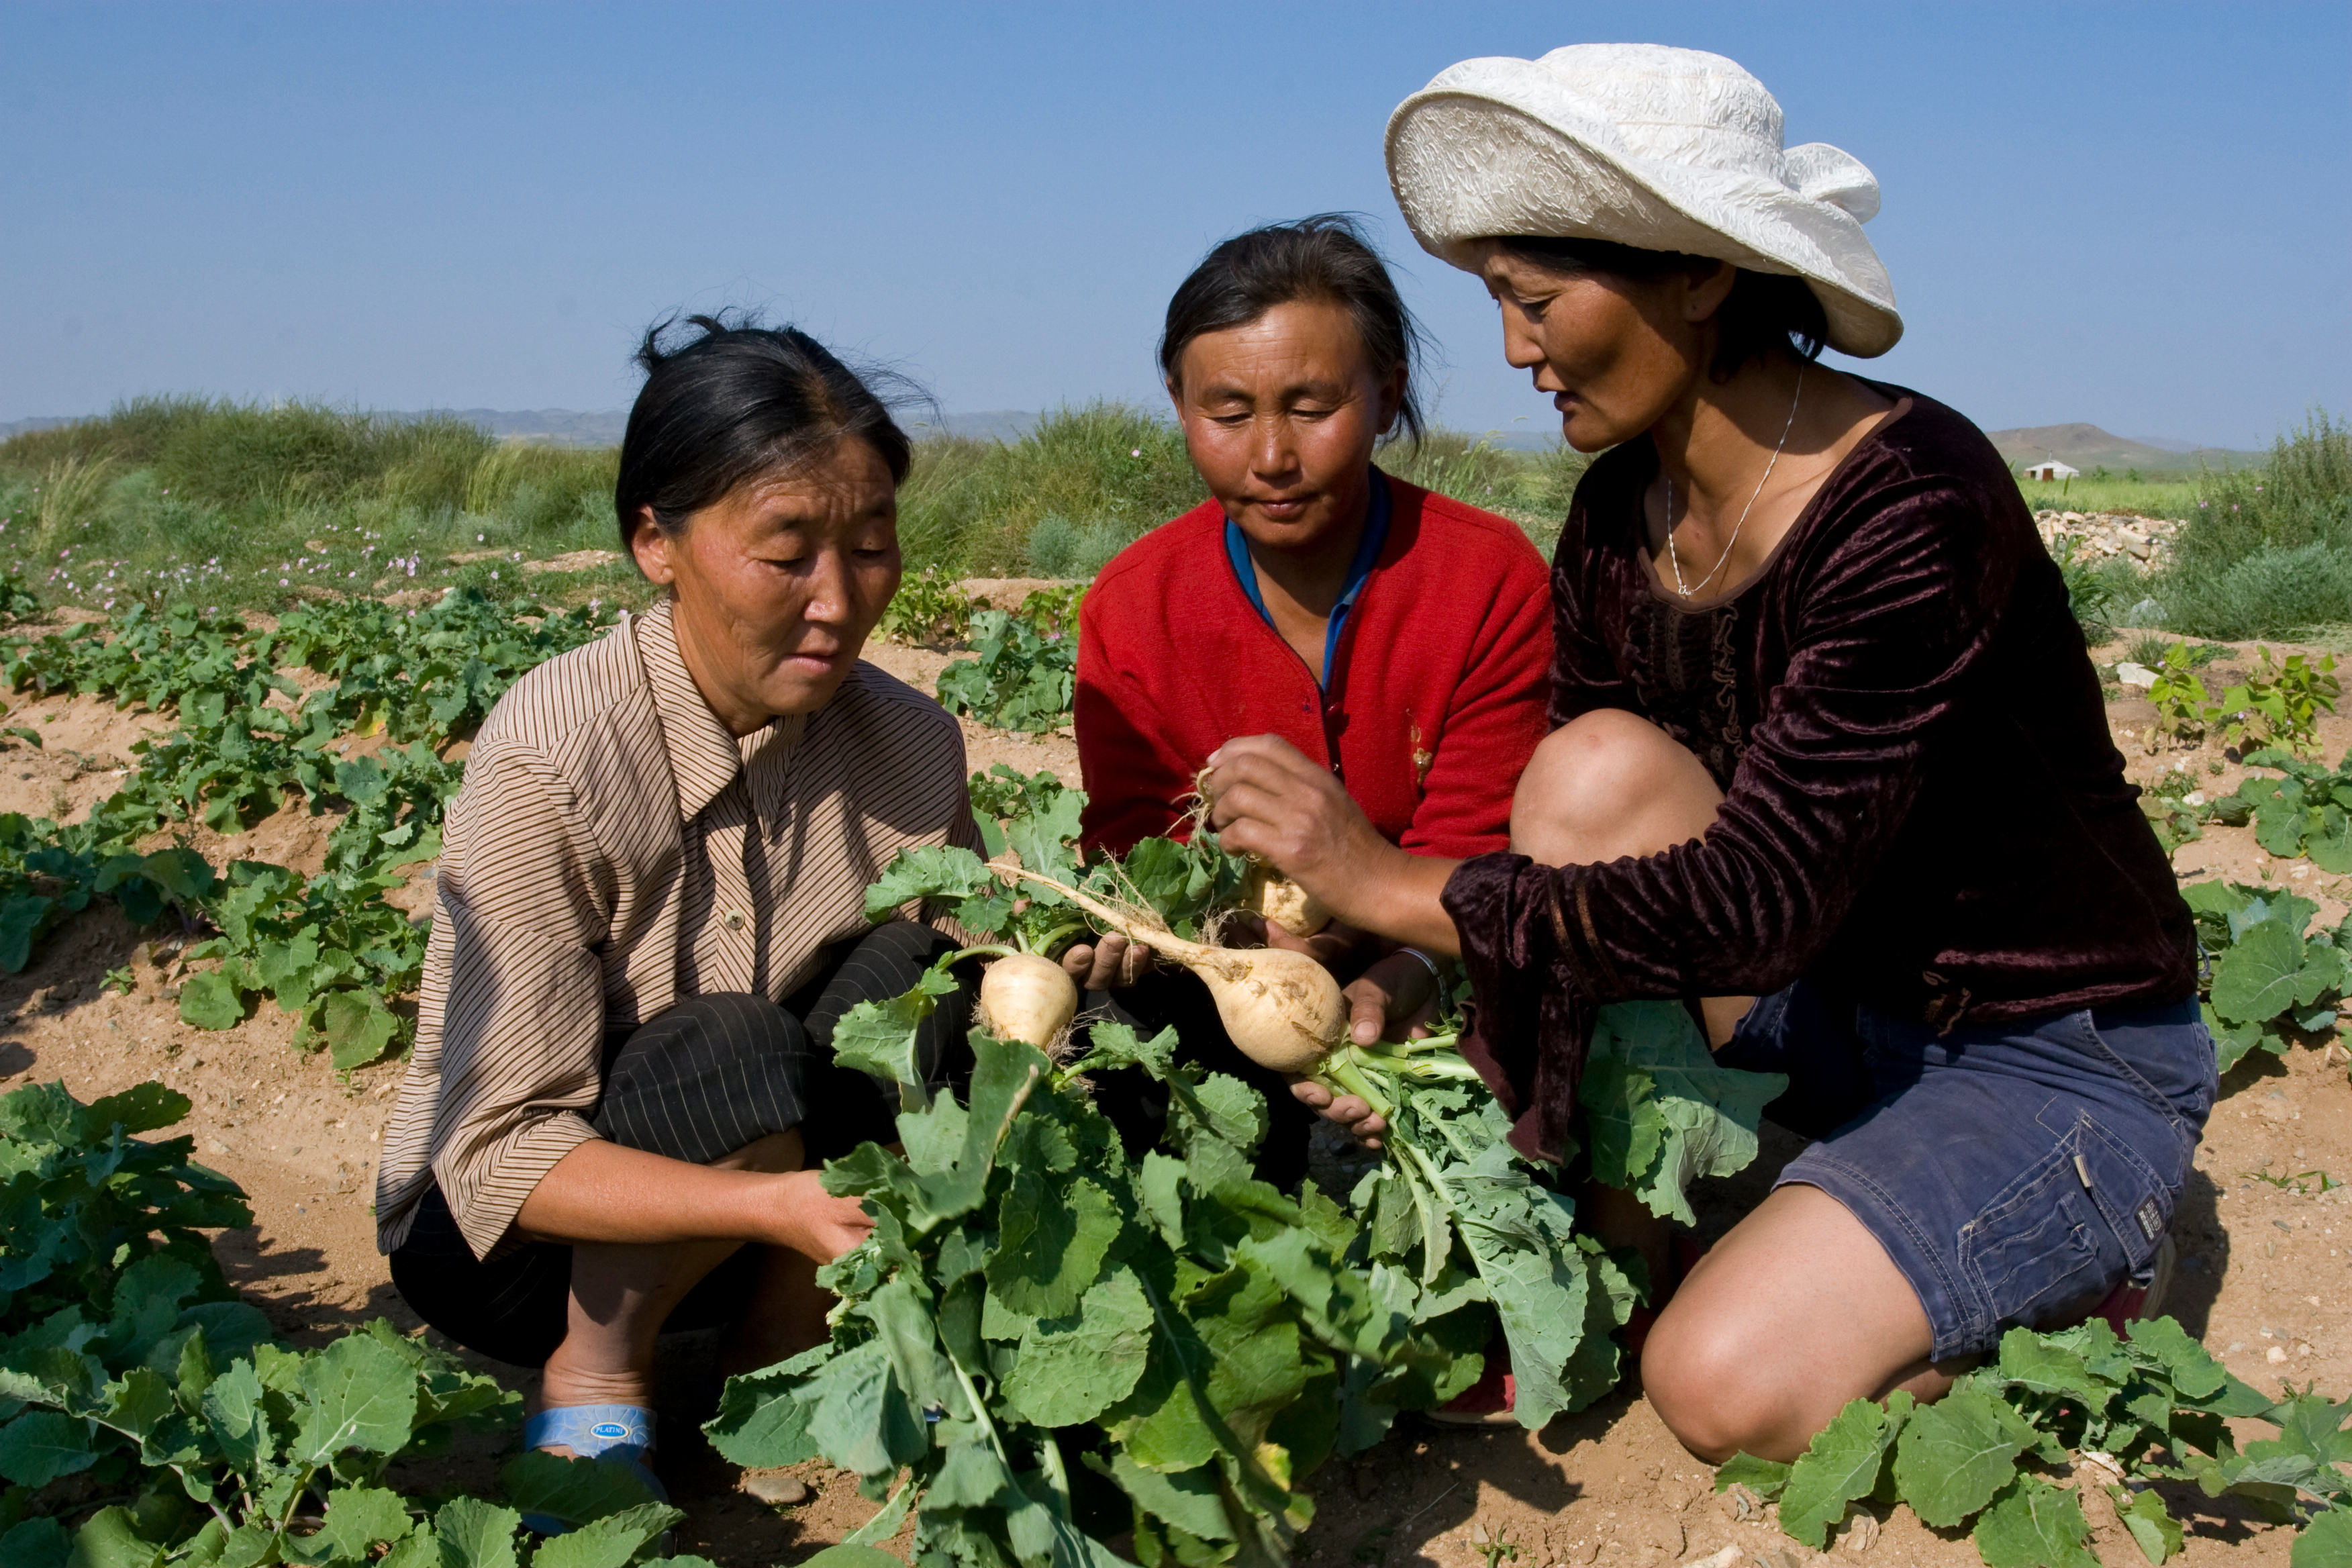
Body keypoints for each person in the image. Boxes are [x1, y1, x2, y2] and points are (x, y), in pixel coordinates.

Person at [1204, 45, 2210, 1461]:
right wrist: (1415, 981)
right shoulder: (1624, 513)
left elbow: (1757, 902)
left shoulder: (1914, 501)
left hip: (2047, 1049)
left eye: (1538, 300)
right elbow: (1581, 839)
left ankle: (2079, 1264)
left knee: (1722, 1388)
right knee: (1596, 768)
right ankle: (1648, 1251)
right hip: (1825, 1021)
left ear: (1699, 275)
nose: (1512, 348)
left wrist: (1377, 881)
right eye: (1500, 301)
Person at [375, 315, 983, 1510]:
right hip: (519, 1248)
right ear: (656, 541)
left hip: (777, 1226)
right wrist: (778, 1207)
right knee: (731, 1041)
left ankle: (777, 1353)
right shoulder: (554, 755)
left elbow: (964, 956)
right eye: (787, 550)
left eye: (870, 544)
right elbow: (500, 1154)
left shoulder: (910, 741)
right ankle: (598, 1376)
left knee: (928, 969)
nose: (838, 599)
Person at [1065, 215, 1554, 1185]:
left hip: (1440, 958)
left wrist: (1388, 963)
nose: (1273, 456)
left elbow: (1477, 852)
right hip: (1221, 974)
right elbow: (1134, 845)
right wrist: (1231, 946)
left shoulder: (1486, 578)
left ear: (1386, 396)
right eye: (1229, 411)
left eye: (1313, 405)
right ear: (1177, 405)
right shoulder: (1132, 608)